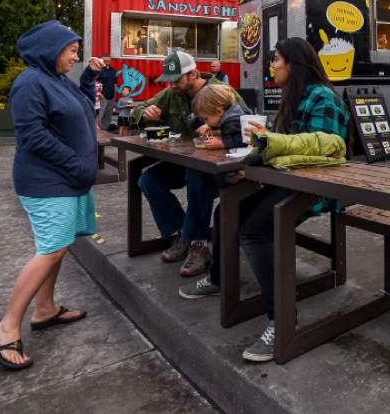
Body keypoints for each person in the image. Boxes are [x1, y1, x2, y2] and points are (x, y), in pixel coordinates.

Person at [180, 37, 349, 363]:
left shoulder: (323, 98)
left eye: (276, 59)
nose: (271, 65)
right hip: (288, 180)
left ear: (294, 64)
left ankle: (283, 319)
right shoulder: (294, 96)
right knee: (226, 210)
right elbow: (286, 148)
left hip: (317, 187)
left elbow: (322, 152)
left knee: (254, 230)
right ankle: (219, 280)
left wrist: (267, 151)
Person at [0, 20, 104, 371]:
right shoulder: (29, 83)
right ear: (51, 50)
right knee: (50, 249)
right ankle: (5, 328)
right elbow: (32, 135)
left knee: (60, 245)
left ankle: (45, 309)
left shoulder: (55, 79)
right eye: (71, 49)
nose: (77, 55)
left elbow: (79, 110)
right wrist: (76, 164)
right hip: (47, 182)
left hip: (67, 180)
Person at [131, 51, 247, 277]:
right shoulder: (171, 93)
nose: (172, 84)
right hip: (184, 161)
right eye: (170, 80)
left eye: (177, 79)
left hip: (217, 168)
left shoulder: (220, 90)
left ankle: (198, 245)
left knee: (197, 177)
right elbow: (137, 109)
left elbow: (247, 122)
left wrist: (217, 131)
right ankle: (186, 233)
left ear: (193, 73)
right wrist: (145, 114)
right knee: (148, 180)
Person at [97, 54, 117, 130]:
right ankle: (98, 131)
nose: (107, 62)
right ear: (102, 60)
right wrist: (100, 94)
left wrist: (115, 96)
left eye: (108, 60)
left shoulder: (113, 70)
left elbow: (115, 84)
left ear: (110, 61)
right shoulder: (99, 70)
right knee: (100, 115)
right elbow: (94, 82)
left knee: (108, 115)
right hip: (102, 97)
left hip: (111, 97)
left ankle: (105, 131)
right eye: (105, 60)